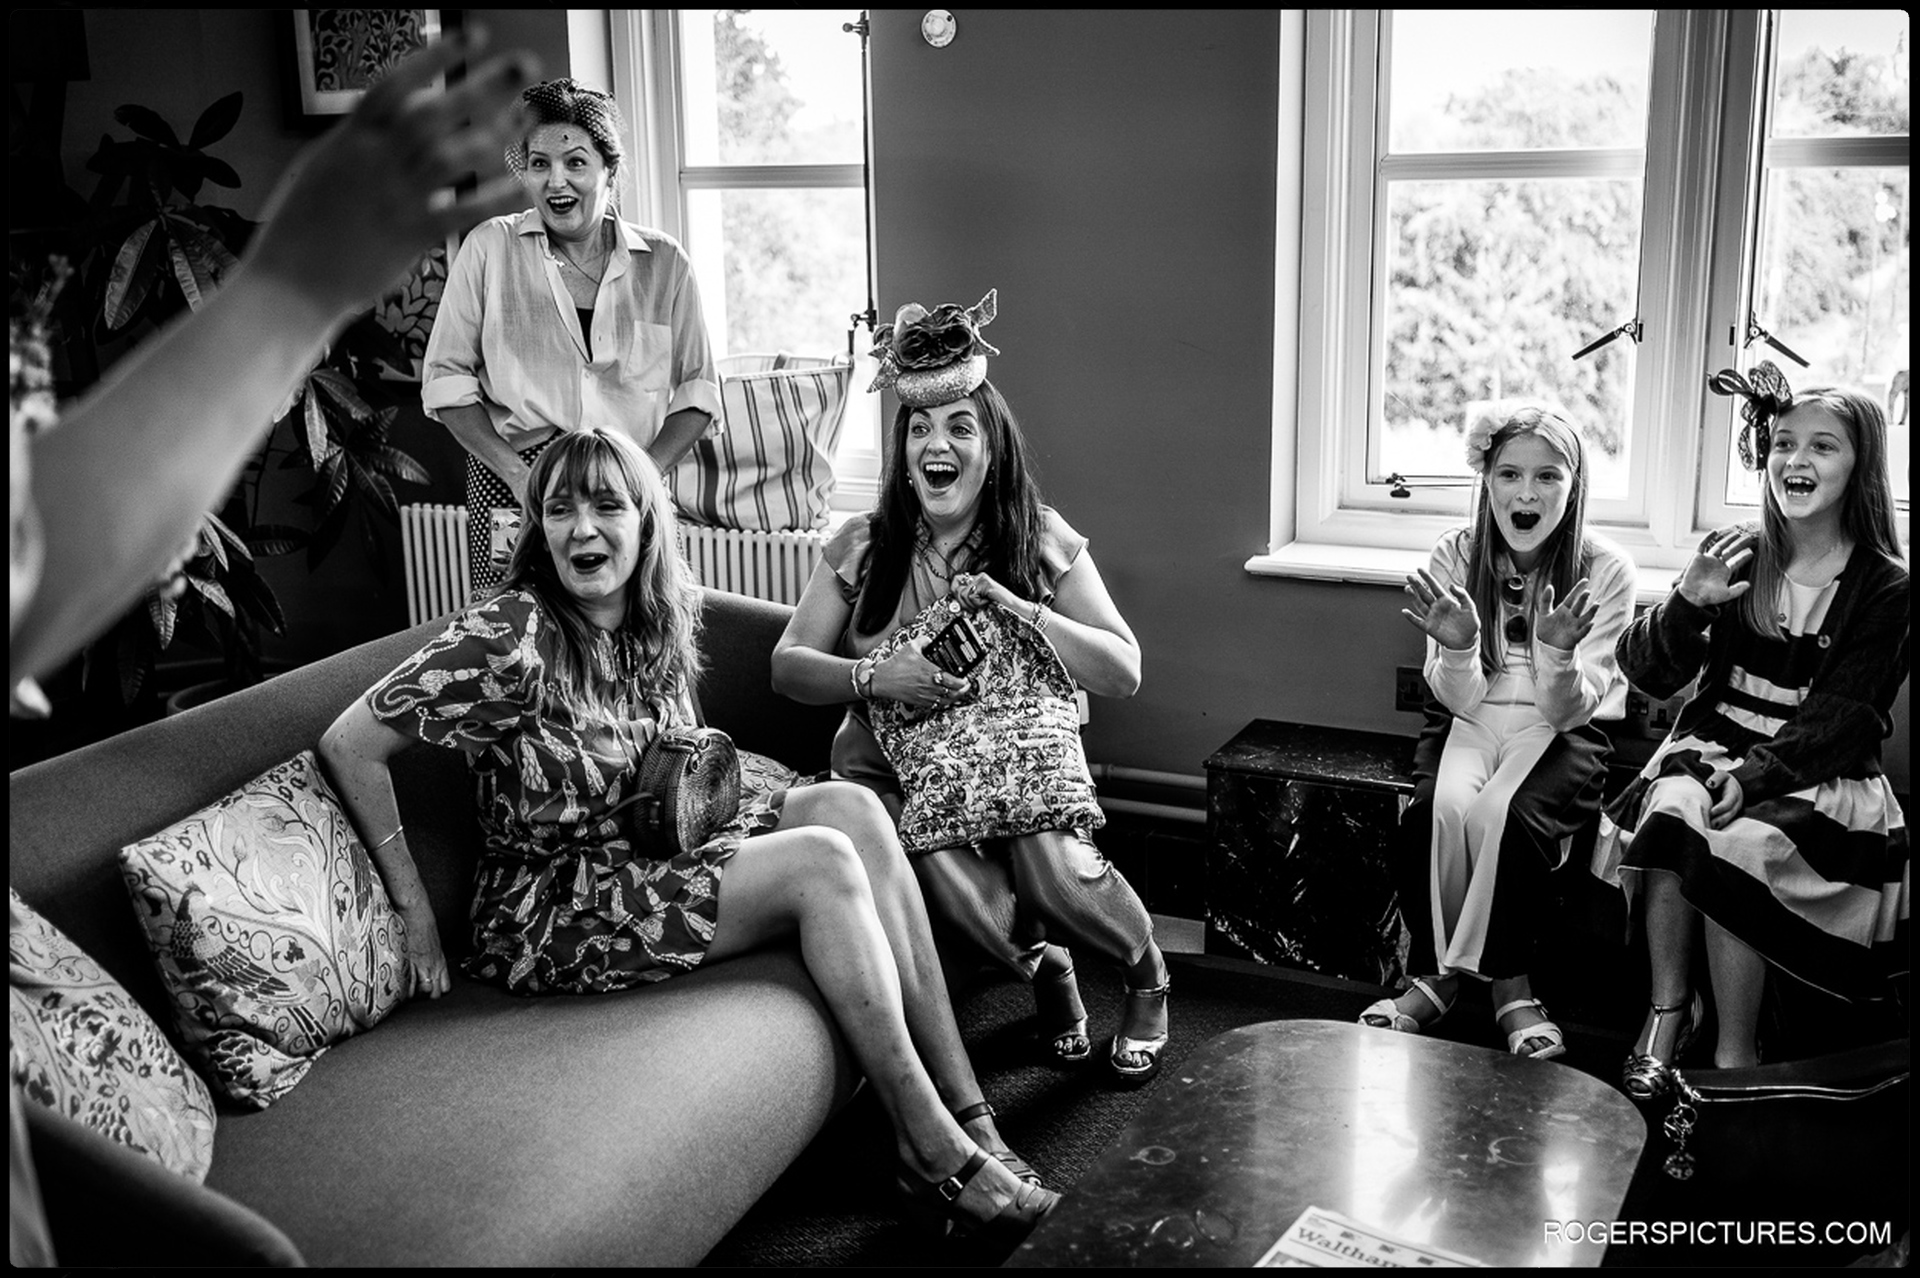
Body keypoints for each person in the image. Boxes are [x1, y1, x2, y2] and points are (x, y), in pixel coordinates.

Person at [9, 29, 541, 1264]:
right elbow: (49, 561)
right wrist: (292, 290)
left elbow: (41, 556)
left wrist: (294, 290)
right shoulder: (505, 633)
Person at [317, 428, 1057, 1242]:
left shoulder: (655, 618)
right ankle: (929, 1152)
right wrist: (414, 913)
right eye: (559, 510)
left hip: (650, 850)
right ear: (538, 528)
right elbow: (350, 744)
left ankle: (973, 1117)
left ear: (644, 522)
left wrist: (737, 804)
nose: (582, 529)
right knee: (821, 863)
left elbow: (686, 759)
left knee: (853, 809)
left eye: (607, 506)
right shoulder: (508, 635)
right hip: (557, 904)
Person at [771, 291, 1174, 1084]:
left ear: (992, 449)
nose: (937, 442)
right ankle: (1049, 969)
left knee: (1052, 869)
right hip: (889, 773)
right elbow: (787, 666)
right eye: (919, 427)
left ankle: (1147, 974)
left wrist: (1029, 613)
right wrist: (873, 675)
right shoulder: (863, 545)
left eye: (960, 426)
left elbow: (1123, 670)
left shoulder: (1036, 536)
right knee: (949, 884)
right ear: (903, 450)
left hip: (1013, 760)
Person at [1606, 365, 1909, 1096]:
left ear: (1861, 465)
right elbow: (1645, 672)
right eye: (1783, 444)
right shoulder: (1737, 550)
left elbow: (1842, 720)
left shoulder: (1887, 587)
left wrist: (1754, 779)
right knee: (1673, 807)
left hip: (1814, 771)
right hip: (1712, 744)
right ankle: (1668, 1010)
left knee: (1738, 843)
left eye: (1822, 447)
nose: (1796, 460)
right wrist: (1687, 603)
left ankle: (1734, 1056)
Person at [1360, 402, 1635, 1059]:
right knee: (1440, 810)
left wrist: (1559, 654)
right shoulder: (1455, 554)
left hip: (1561, 725)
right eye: (1510, 474)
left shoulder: (1606, 570)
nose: (1526, 494)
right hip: (1471, 713)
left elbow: (1572, 713)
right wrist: (1458, 648)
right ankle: (1435, 978)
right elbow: (1455, 697)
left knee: (1501, 816)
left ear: (1575, 485)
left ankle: (1513, 988)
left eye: (1548, 477)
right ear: (1487, 481)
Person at [421, 77, 721, 595]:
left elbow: (699, 392)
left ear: (610, 171)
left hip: (625, 487)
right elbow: (446, 381)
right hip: (514, 478)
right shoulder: (489, 249)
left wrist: (640, 478)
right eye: (539, 164)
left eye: (576, 162)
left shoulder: (666, 263)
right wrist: (520, 478)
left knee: (633, 619)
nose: (555, 181)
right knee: (514, 624)